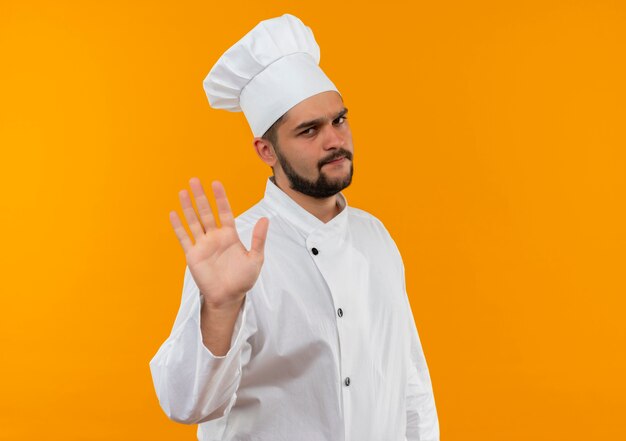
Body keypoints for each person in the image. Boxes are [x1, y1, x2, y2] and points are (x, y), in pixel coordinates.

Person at [149, 13, 440, 441]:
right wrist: (221, 309)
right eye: (309, 130)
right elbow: (187, 405)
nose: (334, 140)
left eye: (339, 120)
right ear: (266, 150)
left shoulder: (375, 237)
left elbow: (410, 381)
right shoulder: (236, 252)